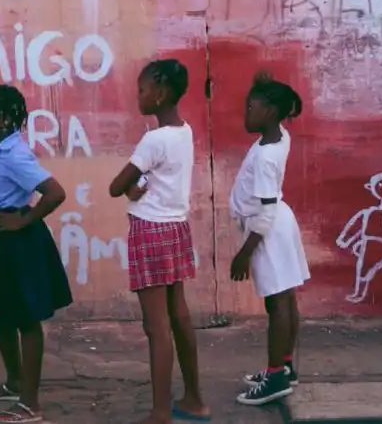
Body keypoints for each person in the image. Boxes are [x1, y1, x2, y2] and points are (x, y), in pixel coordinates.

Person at [109, 59, 210, 424]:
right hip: (176, 229)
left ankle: (160, 413)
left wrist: (132, 190)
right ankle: (195, 398)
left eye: (143, 90)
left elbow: (116, 187)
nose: (139, 96)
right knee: (178, 314)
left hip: (149, 231)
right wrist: (140, 188)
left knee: (156, 326)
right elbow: (160, 179)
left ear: (161, 92)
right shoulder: (184, 132)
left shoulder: (153, 139)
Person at [0, 85, 72, 424]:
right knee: (0, 312)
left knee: (26, 318)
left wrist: (23, 220)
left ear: (6, 119)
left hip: (19, 243)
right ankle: (14, 381)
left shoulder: (15, 154)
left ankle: (30, 402)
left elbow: (54, 192)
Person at [229, 72, 310, 407]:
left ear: (272, 112)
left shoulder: (265, 156)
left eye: (252, 107)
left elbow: (264, 212)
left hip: (268, 231)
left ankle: (276, 376)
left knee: (277, 303)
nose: (245, 113)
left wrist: (244, 253)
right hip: (280, 224)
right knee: (285, 298)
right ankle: (285, 366)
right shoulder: (278, 137)